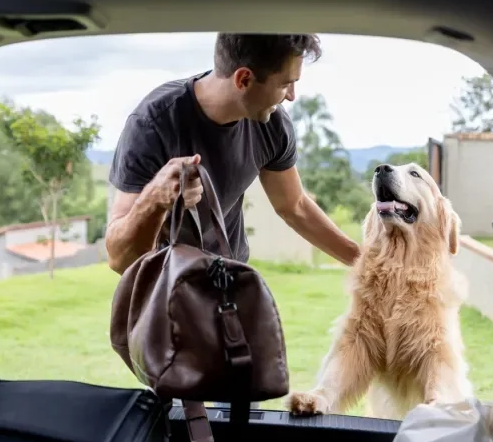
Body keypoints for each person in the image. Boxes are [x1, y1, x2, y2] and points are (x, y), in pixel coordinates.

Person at [104, 33, 361, 276]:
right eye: (285, 84)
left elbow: (294, 206)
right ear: (244, 80)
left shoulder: (272, 124)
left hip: (229, 285)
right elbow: (119, 259)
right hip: (164, 293)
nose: (292, 97)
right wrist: (156, 199)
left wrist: (365, 264)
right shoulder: (153, 124)